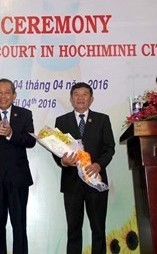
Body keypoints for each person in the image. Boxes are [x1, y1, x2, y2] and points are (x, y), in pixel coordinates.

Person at [52, 82, 115, 254]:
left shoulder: (103, 119)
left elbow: (110, 148)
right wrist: (64, 162)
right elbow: (56, 149)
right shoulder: (61, 121)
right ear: (71, 99)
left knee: (98, 230)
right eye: (76, 94)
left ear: (91, 98)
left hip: (96, 180)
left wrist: (98, 164)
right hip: (72, 184)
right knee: (73, 231)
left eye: (84, 94)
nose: (80, 98)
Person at [0, 78, 36, 254]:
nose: (3, 96)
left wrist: (11, 133)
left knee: (19, 225)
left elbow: (31, 141)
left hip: (18, 178)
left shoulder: (25, 114)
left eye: (7, 92)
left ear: (14, 95)